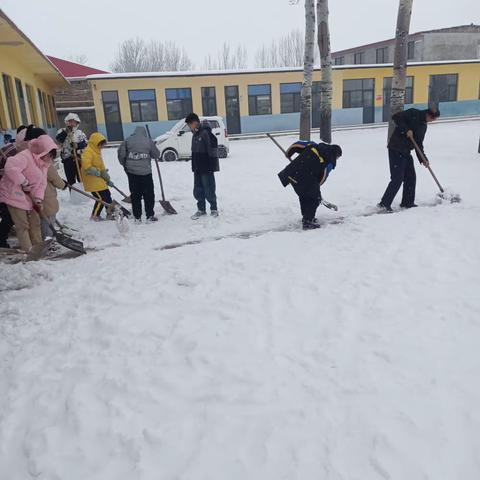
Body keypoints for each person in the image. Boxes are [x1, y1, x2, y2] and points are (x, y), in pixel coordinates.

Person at [0, 135, 58, 252]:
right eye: (49, 155)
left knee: (35, 222)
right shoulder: (25, 156)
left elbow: (41, 184)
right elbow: (10, 168)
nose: (50, 158)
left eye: (52, 156)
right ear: (42, 150)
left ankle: (38, 248)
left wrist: (38, 199)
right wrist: (24, 181)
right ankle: (28, 251)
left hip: (28, 196)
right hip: (13, 194)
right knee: (23, 225)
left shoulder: (44, 164)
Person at [378, 107, 440, 212]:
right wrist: (406, 130)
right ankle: (384, 204)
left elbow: (419, 144)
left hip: (406, 151)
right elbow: (396, 117)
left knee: (411, 177)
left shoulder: (423, 126)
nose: (432, 121)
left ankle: (407, 202)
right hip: (396, 149)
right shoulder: (413, 113)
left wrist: (423, 159)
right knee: (397, 178)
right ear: (428, 115)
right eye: (433, 119)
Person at [278, 141, 343, 230]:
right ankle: (307, 222)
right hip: (305, 178)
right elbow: (323, 176)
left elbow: (297, 145)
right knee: (314, 199)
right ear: (336, 155)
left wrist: (288, 153)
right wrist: (316, 188)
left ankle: (307, 217)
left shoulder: (314, 146)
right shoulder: (330, 160)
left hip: (291, 173)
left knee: (304, 195)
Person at [118, 126, 160, 223]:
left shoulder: (127, 141)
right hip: (146, 173)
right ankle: (149, 216)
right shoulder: (148, 141)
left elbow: (121, 155)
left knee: (135, 195)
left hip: (132, 174)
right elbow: (156, 155)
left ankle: (137, 218)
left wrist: (126, 166)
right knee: (149, 195)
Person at [185, 113, 219, 219]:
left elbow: (212, 150)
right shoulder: (195, 135)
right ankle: (201, 209)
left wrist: (212, 167)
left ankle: (214, 209)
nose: (189, 127)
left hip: (206, 167)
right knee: (198, 190)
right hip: (197, 168)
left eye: (190, 125)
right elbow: (194, 152)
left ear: (195, 122)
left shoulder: (205, 133)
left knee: (209, 189)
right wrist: (194, 166)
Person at [0, 126, 28, 248]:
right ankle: (1, 239)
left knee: (9, 215)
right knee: (8, 215)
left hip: (8, 188)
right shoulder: (10, 153)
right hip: (4, 188)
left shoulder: (17, 151)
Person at [81, 132, 113, 221]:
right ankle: (95, 216)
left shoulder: (97, 152)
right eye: (100, 145)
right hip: (91, 179)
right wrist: (96, 172)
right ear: (95, 143)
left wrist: (107, 178)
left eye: (102, 145)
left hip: (98, 179)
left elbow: (101, 167)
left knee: (107, 194)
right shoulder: (88, 151)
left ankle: (111, 213)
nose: (101, 147)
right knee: (100, 198)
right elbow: (86, 166)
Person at [56, 112, 87, 186]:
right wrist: (67, 131)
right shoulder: (61, 131)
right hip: (67, 159)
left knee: (82, 179)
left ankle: (84, 195)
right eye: (71, 122)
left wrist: (77, 146)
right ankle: (74, 195)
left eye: (75, 122)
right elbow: (59, 139)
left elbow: (85, 144)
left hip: (79, 159)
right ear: (67, 122)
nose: (73, 124)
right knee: (71, 180)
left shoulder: (80, 133)